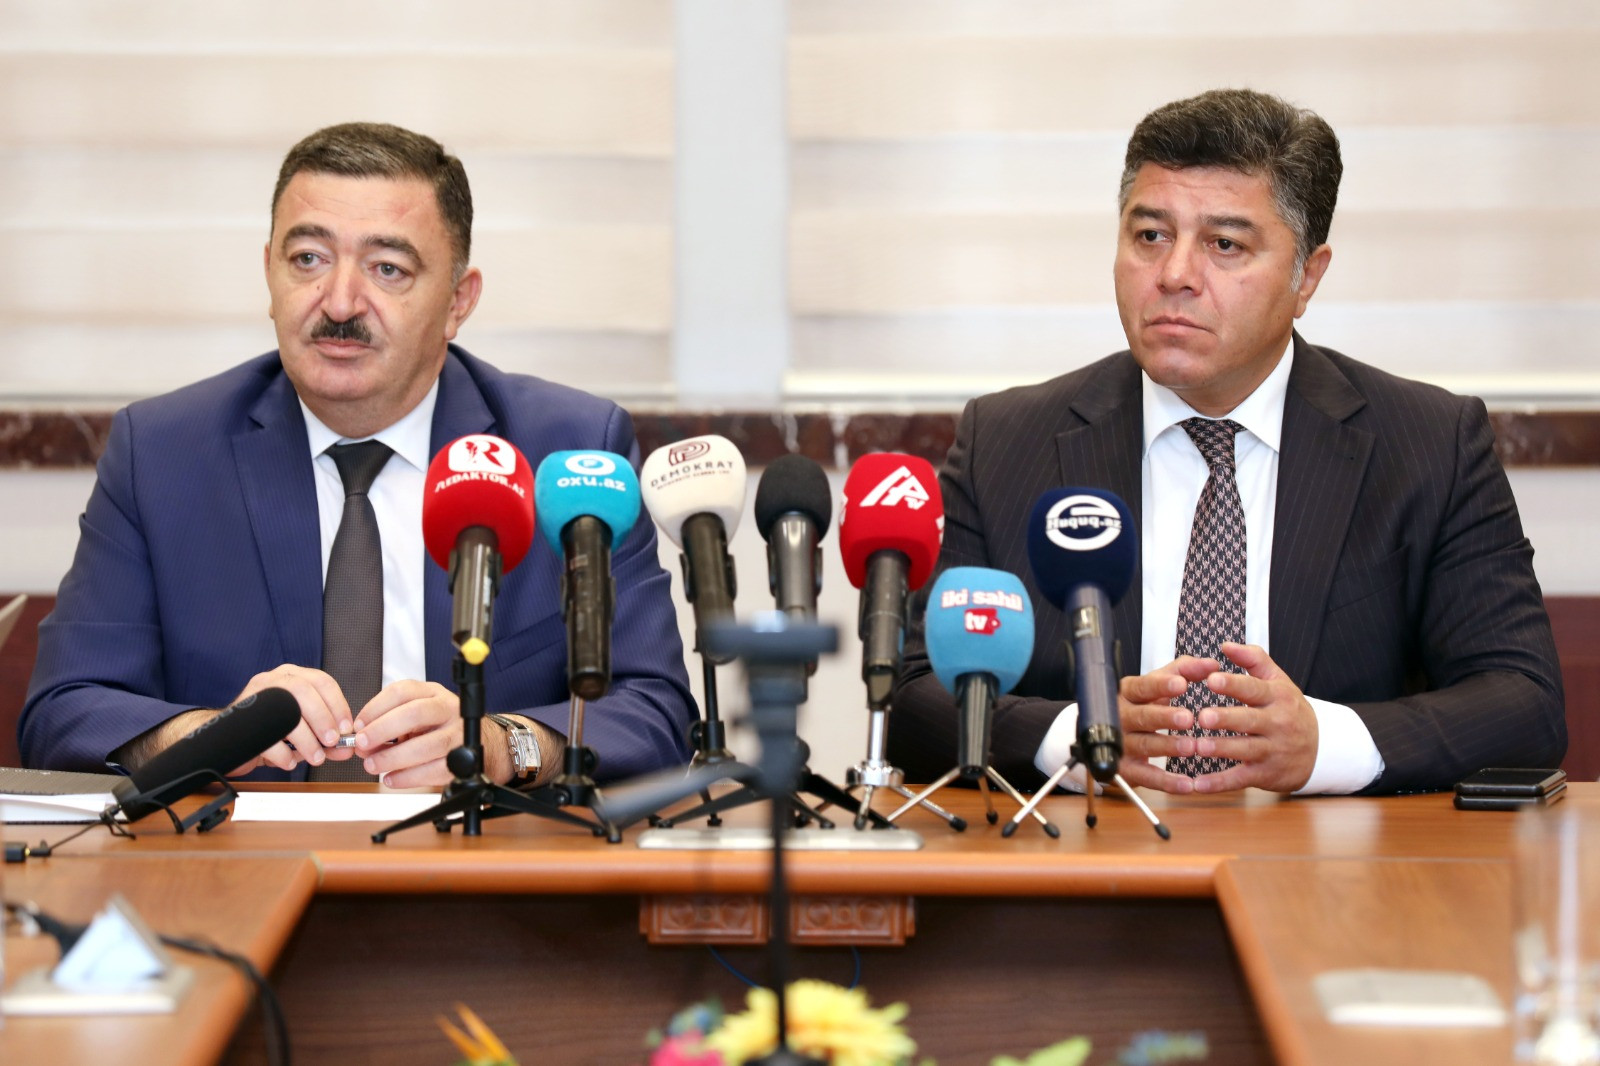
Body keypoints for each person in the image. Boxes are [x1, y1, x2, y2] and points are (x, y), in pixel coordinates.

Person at [888, 89, 1565, 796]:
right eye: (1151, 236)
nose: (1175, 275)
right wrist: (1082, 735)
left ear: (1306, 277)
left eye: (1225, 245)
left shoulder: (1428, 445)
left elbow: (1525, 703)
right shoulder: (1006, 443)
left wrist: (1323, 745)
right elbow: (910, 696)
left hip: (1327, 855)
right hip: (1093, 846)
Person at [21, 122, 696, 789]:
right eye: (308, 259)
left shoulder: (568, 453)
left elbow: (655, 713)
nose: (340, 302)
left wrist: (497, 746)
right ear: (268, 272)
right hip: (247, 855)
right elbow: (62, 713)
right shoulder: (162, 455)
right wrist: (214, 737)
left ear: (457, 301)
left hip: (477, 853)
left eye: (387, 269)